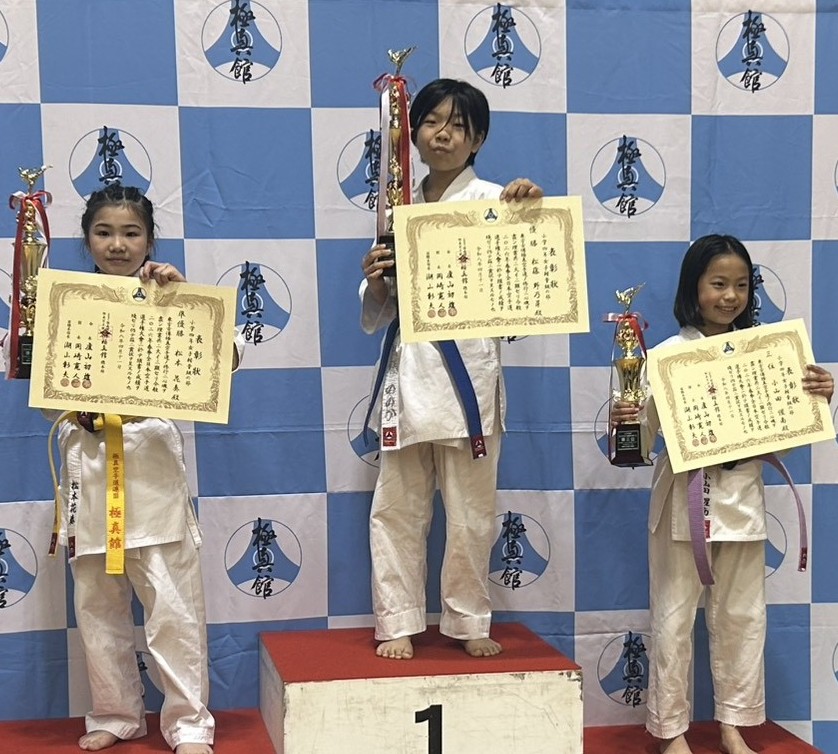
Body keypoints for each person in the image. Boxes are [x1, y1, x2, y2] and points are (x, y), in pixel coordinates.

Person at [611, 234, 834, 754]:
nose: (730, 296)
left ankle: (734, 726)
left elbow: (785, 432)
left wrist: (818, 397)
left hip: (742, 500)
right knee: (673, 617)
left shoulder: (765, 355)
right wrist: (628, 418)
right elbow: (640, 443)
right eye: (717, 284)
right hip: (682, 501)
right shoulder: (663, 357)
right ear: (694, 287)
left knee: (743, 617)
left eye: (740, 285)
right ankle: (671, 732)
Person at [49, 185, 239, 753]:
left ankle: (189, 723)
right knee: (97, 607)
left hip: (150, 471)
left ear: (150, 240)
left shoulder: (166, 295)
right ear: (87, 240)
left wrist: (185, 301)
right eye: (104, 232)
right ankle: (115, 713)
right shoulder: (66, 302)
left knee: (173, 610)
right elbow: (37, 378)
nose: (117, 244)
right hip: (87, 467)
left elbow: (224, 361)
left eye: (131, 233)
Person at [360, 78, 543, 660]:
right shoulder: (398, 204)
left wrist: (527, 216)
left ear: (478, 140)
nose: (443, 134)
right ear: (411, 133)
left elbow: (525, 292)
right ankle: (397, 619)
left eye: (458, 125)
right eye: (432, 121)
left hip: (469, 380)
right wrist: (376, 279)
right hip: (410, 375)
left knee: (470, 514)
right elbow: (380, 308)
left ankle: (467, 619)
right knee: (396, 508)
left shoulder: (497, 202)